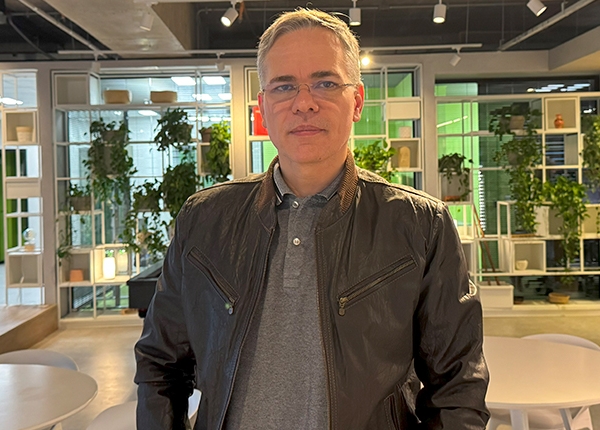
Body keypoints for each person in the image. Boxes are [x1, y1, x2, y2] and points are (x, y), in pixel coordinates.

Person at [134, 8, 489, 430]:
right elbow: (160, 364)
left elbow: (457, 385)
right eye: (284, 86)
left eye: (325, 83)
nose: (304, 102)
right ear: (263, 107)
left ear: (356, 101)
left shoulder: (420, 225)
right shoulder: (205, 219)